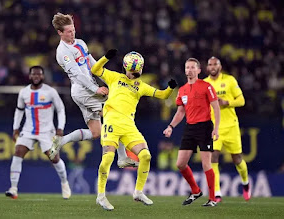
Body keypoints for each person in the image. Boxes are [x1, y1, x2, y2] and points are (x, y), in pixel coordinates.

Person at [91, 49, 177, 210]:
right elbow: (95, 70)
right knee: (107, 159)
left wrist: (170, 88)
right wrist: (106, 58)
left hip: (129, 125)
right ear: (127, 67)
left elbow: (162, 95)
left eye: (138, 69)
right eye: (134, 68)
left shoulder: (140, 86)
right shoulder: (114, 77)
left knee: (146, 156)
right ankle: (101, 196)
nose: (136, 71)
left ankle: (138, 192)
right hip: (112, 121)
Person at [49, 12, 137, 168]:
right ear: (60, 33)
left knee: (96, 133)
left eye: (73, 29)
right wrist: (95, 89)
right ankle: (122, 158)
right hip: (82, 91)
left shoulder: (81, 43)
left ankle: (61, 141)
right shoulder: (62, 52)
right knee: (117, 115)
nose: (72, 33)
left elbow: (93, 64)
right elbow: (77, 74)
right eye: (68, 31)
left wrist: (108, 80)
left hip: (88, 89)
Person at [5, 66, 71, 199]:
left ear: (42, 76)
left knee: (54, 158)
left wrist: (60, 128)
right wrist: (15, 128)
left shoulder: (50, 92)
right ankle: (13, 188)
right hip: (28, 130)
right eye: (33, 74)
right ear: (29, 76)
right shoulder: (23, 92)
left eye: (39, 74)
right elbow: (19, 110)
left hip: (47, 131)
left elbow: (60, 110)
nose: (36, 76)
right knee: (18, 152)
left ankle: (65, 183)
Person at [163, 58, 220, 207]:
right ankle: (196, 191)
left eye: (192, 67)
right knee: (180, 163)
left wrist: (216, 128)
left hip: (205, 127)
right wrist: (170, 126)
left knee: (206, 164)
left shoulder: (206, 86)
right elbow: (180, 112)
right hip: (190, 127)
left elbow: (216, 107)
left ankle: (212, 198)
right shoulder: (182, 90)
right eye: (187, 67)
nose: (189, 70)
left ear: (199, 70)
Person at [204, 57, 250, 202]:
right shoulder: (204, 83)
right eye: (210, 64)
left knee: (237, 159)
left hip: (231, 126)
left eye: (215, 64)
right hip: (214, 127)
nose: (212, 66)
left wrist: (226, 102)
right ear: (207, 67)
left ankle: (245, 182)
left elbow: (242, 101)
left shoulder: (230, 80)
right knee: (214, 157)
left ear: (220, 66)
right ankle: (217, 193)